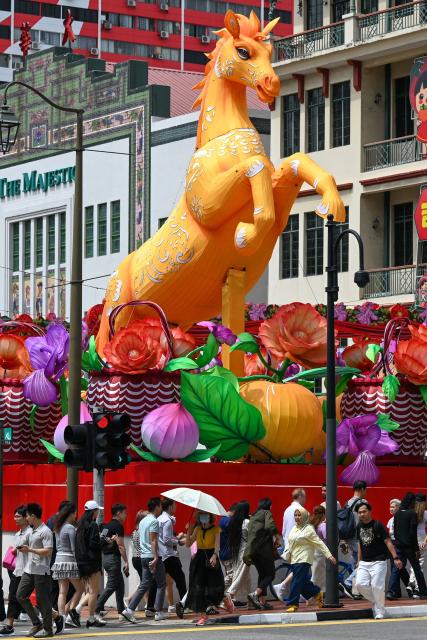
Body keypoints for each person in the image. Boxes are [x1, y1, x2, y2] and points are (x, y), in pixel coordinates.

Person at [122, 497, 167, 623]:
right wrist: (156, 557)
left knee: (145, 584)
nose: (161, 509)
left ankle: (129, 610)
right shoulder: (154, 521)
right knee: (161, 583)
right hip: (151, 556)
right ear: (157, 507)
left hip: (143, 557)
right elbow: (153, 540)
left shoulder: (142, 522)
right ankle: (158, 612)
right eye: (160, 506)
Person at [282, 507, 336, 612]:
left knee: (296, 581)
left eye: (299, 515)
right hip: (294, 559)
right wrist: (285, 554)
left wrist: (329, 555)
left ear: (305, 516)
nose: (297, 517)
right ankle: (316, 594)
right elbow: (290, 543)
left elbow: (319, 543)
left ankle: (293, 603)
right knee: (302, 582)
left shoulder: (309, 529)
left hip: (304, 559)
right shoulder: (294, 528)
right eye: (296, 515)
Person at [16, 502, 57, 638]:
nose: (25, 518)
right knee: (20, 595)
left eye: (27, 516)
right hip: (29, 569)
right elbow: (24, 544)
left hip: (41, 571)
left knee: (42, 601)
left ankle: (48, 629)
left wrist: (30, 549)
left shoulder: (45, 531)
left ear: (33, 516)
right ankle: (36, 623)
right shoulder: (31, 530)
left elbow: (48, 551)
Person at [184, 510, 231, 626]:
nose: (202, 518)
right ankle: (203, 616)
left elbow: (217, 546)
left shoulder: (216, 529)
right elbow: (188, 544)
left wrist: (215, 555)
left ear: (210, 517)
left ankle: (225, 598)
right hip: (199, 560)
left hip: (211, 558)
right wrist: (188, 532)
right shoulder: (198, 529)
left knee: (215, 587)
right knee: (198, 588)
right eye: (200, 516)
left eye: (205, 515)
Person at [355, 502, 402, 619]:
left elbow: (388, 542)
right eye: (359, 512)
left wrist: (395, 557)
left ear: (370, 512)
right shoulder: (358, 526)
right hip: (364, 562)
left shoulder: (378, 525)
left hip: (379, 561)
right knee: (360, 585)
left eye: (364, 511)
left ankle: (380, 611)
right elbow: (360, 544)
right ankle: (377, 602)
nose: (362, 514)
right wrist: (358, 561)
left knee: (377, 586)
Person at [147, 498, 186, 616]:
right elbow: (167, 540)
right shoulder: (168, 521)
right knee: (180, 579)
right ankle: (185, 604)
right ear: (170, 507)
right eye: (175, 505)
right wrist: (178, 541)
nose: (176, 507)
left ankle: (149, 607)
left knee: (156, 581)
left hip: (160, 555)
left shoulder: (158, 519)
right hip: (169, 555)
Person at [387, 492, 427, 600]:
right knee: (417, 568)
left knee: (397, 568)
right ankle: (423, 591)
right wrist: (416, 549)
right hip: (409, 546)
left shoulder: (398, 513)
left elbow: (395, 531)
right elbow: (412, 533)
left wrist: (398, 543)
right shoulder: (412, 514)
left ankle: (391, 592)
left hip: (399, 545)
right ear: (411, 502)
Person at [51, 502, 83, 628]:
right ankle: (71, 613)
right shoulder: (70, 528)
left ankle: (61, 617)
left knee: (62, 591)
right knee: (80, 589)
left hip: (58, 560)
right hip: (69, 560)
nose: (76, 515)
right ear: (71, 513)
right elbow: (74, 548)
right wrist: (78, 563)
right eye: (75, 513)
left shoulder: (58, 527)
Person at [244, 497, 279, 610]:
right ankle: (255, 594)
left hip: (253, 551)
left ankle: (262, 602)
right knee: (270, 574)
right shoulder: (266, 513)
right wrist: (277, 536)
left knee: (263, 574)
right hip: (264, 550)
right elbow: (270, 526)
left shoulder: (254, 515)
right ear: (268, 505)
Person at [0, 505, 30, 636]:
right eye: (14, 515)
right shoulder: (18, 534)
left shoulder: (31, 533)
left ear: (25, 517)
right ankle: (9, 625)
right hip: (18, 570)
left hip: (30, 571)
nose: (15, 518)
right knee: (13, 597)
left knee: (36, 599)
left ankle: (56, 617)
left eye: (18, 516)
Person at [75, 500, 105, 628]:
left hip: (82, 562)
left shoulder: (80, 525)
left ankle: (76, 610)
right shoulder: (93, 525)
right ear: (94, 511)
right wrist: (104, 542)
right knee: (94, 591)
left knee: (89, 590)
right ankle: (91, 618)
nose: (98, 512)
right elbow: (93, 544)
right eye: (98, 510)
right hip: (92, 563)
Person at [96, 503, 129, 621]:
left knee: (120, 585)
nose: (126, 516)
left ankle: (122, 612)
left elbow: (101, 541)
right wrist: (126, 562)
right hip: (113, 559)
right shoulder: (118, 526)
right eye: (125, 513)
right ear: (119, 513)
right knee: (111, 586)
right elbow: (121, 545)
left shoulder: (107, 526)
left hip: (105, 558)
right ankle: (96, 608)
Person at [341, 480, 368, 597]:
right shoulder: (363, 502)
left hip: (348, 537)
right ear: (362, 489)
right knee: (365, 561)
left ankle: (355, 591)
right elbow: (365, 520)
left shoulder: (347, 502)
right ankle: (348, 582)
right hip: (358, 537)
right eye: (365, 490)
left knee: (355, 562)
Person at [225, 500, 251, 607]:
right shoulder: (247, 522)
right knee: (240, 575)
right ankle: (229, 594)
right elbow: (252, 535)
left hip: (237, 551)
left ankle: (249, 599)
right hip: (245, 552)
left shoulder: (235, 521)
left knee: (246, 576)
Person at [408, 493, 427, 597]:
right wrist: (425, 541)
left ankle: (411, 582)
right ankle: (416, 587)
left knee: (413, 563)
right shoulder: (425, 513)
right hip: (421, 539)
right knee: (420, 565)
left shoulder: (411, 512)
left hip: (411, 540)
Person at [218, 504, 237, 596]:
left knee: (231, 576)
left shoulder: (223, 519)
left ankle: (228, 598)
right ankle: (218, 593)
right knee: (231, 575)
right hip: (227, 553)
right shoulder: (227, 520)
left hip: (225, 552)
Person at [310, 505, 327, 592]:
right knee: (318, 577)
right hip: (320, 553)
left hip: (313, 551)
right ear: (324, 514)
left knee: (316, 575)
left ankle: (316, 596)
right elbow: (327, 538)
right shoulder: (323, 525)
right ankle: (309, 596)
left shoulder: (312, 524)